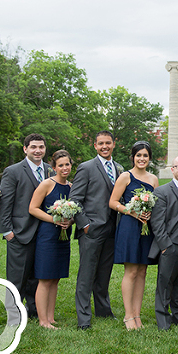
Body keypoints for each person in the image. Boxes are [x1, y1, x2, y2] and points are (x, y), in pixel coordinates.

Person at [71, 130, 124, 330]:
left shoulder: (119, 169)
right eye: (100, 143)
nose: (104, 146)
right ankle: (83, 318)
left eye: (108, 143)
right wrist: (85, 224)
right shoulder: (86, 167)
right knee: (86, 274)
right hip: (91, 229)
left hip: (112, 229)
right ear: (95, 145)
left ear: (113, 144)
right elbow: (75, 199)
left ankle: (103, 311)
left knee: (104, 273)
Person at [0, 133, 53, 322]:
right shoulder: (13, 171)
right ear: (25, 149)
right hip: (19, 232)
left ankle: (34, 310)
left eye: (41, 147)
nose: (38, 150)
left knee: (37, 276)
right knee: (17, 277)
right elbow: (5, 203)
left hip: (44, 233)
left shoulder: (50, 171)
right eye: (33, 147)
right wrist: (7, 232)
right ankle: (13, 316)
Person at [110, 141, 159, 330]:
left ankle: (138, 315)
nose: (142, 159)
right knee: (131, 271)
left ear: (149, 158)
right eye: (138, 155)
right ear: (133, 157)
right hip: (130, 226)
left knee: (142, 272)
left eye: (145, 155)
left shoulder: (154, 179)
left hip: (147, 228)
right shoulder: (125, 176)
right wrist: (130, 211)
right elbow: (113, 202)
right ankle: (128, 316)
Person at [28, 150, 74, 329]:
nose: (64, 168)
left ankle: (51, 316)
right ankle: (43, 321)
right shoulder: (46, 184)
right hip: (47, 235)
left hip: (64, 236)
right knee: (45, 278)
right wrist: (53, 219)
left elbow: (74, 210)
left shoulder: (71, 186)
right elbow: (33, 208)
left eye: (67, 164)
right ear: (53, 167)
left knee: (56, 277)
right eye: (60, 165)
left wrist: (69, 221)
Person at [149, 156, 178, 330]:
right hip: (170, 244)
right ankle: (162, 318)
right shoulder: (162, 191)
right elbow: (157, 222)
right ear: (172, 169)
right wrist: (165, 245)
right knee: (165, 282)